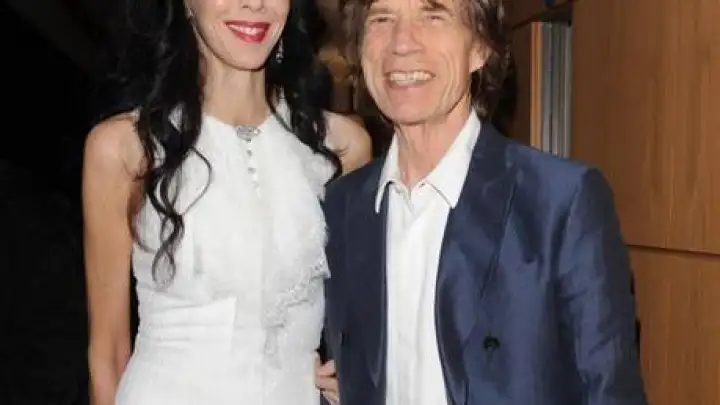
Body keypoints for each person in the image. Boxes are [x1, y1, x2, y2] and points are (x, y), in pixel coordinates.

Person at [316, 0, 647, 404]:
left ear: (480, 47)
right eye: (382, 19)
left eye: (433, 15)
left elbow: (610, 392)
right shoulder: (341, 209)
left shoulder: (559, 204)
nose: (402, 42)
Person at [82, 0, 371, 403]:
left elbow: (359, 321)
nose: (254, 3)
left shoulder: (341, 148)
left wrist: (353, 375)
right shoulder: (125, 148)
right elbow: (108, 355)